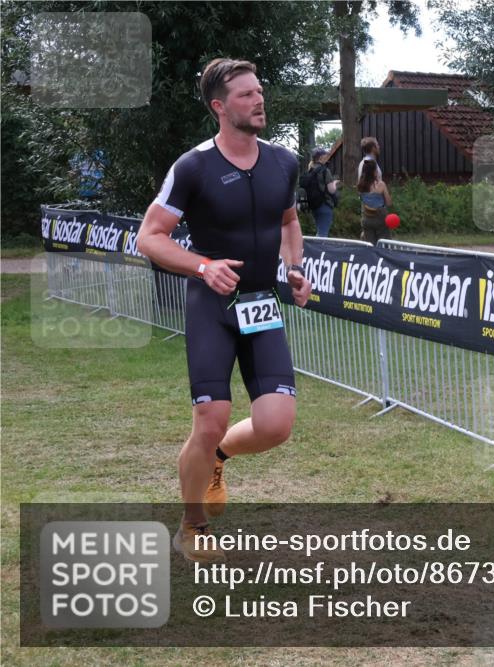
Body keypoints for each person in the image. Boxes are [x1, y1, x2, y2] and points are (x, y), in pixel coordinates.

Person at [137, 58, 312, 561]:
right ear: (219, 106)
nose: (259, 101)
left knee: (277, 424)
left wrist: (295, 268)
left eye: (260, 92)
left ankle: (217, 458)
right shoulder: (194, 167)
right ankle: (192, 525)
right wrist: (201, 267)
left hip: (262, 305)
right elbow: (150, 237)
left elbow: (288, 221)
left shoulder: (284, 161)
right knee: (211, 417)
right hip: (212, 305)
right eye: (245, 95)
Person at [305, 146, 341, 237]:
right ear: (320, 157)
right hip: (324, 205)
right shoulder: (325, 171)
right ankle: (317, 251)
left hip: (313, 205)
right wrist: (335, 183)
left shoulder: (310, 170)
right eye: (325, 155)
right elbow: (331, 190)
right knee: (323, 234)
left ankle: (316, 250)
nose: (326, 157)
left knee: (320, 231)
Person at [358, 159, 393, 244]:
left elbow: (362, 200)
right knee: (384, 243)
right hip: (380, 217)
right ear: (374, 172)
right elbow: (389, 203)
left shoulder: (360, 186)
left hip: (366, 218)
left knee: (370, 245)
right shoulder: (381, 184)